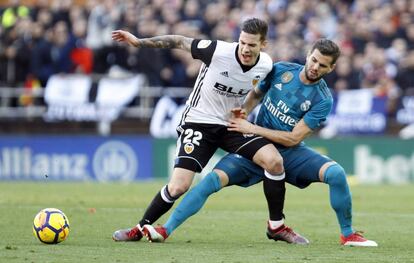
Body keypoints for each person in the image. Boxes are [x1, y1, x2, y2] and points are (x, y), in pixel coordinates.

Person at [142, 39, 378, 247]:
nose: (316, 67)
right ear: (308, 55)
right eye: (314, 60)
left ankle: (347, 235)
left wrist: (251, 127)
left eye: (323, 65)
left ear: (331, 68)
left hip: (289, 152)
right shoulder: (281, 70)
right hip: (255, 146)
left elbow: (294, 138)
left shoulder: (323, 99)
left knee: (336, 174)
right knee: (210, 181)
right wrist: (243, 112)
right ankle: (165, 229)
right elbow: (256, 93)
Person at [111, 18, 306, 244]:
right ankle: (139, 228)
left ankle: (276, 227)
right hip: (199, 122)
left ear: (263, 45)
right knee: (178, 186)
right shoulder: (217, 51)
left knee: (274, 161)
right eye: (242, 42)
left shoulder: (266, 65)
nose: (245, 49)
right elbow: (179, 41)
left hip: (231, 125)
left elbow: (260, 91)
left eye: (251, 45)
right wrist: (139, 42)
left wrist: (244, 110)